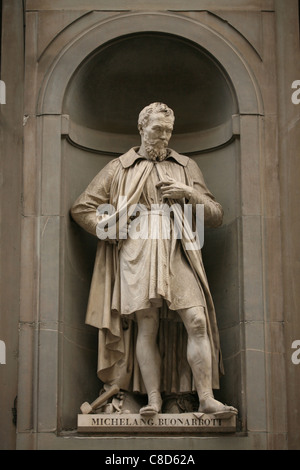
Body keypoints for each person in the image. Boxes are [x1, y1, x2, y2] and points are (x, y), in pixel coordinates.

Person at [71, 103, 237, 417]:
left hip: (177, 247)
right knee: (146, 326)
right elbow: (82, 209)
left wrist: (188, 193)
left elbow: (215, 216)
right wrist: (109, 229)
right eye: (157, 130)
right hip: (138, 249)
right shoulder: (120, 167)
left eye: (168, 131)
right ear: (142, 128)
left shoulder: (185, 166)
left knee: (197, 321)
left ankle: (205, 398)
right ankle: (154, 400)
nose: (163, 137)